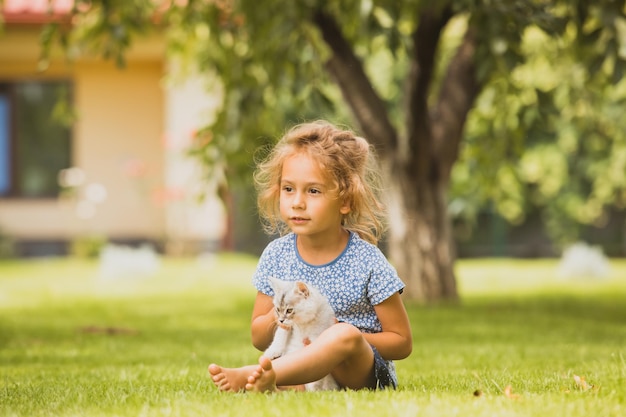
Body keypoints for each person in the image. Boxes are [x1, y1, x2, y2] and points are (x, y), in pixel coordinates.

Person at [208, 120, 412, 392]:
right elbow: (258, 336)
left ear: (345, 201)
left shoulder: (367, 260)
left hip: (359, 373)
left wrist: (338, 337)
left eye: (313, 191)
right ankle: (288, 382)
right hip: (301, 363)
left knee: (342, 335)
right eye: (288, 189)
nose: (297, 202)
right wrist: (284, 313)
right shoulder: (277, 255)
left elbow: (401, 341)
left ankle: (257, 375)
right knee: (301, 350)